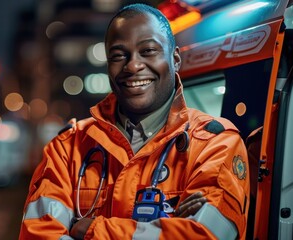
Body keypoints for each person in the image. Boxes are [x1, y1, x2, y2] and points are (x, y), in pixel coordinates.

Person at [19, 3, 250, 240]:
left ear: (176, 59)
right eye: (119, 55)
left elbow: (203, 236)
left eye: (148, 51)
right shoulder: (67, 148)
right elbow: (38, 234)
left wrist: (89, 230)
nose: (133, 65)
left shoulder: (216, 144)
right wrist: (169, 228)